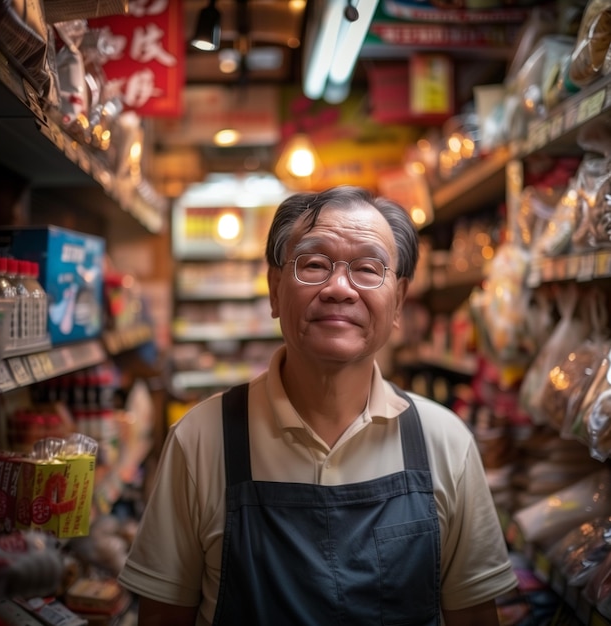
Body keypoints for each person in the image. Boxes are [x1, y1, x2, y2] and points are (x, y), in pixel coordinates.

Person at [118, 185, 518, 625]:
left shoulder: (444, 443)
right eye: (313, 264)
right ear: (274, 289)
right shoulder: (200, 440)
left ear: (399, 300)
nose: (339, 289)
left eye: (368, 268)